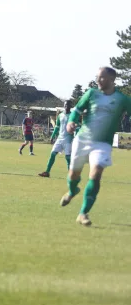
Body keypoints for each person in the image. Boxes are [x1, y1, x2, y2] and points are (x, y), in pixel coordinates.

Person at [60, 67, 131, 226]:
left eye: (102, 78)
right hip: (82, 140)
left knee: (96, 172)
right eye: (97, 77)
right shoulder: (91, 93)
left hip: (102, 144)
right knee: (73, 176)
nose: (98, 80)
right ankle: (73, 191)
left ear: (112, 80)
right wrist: (71, 121)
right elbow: (77, 111)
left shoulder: (122, 99)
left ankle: (83, 213)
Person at [39, 100, 73, 177]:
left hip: (68, 139)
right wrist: (52, 136)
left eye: (68, 105)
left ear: (70, 106)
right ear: (64, 106)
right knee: (53, 154)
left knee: (68, 157)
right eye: (65, 105)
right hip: (60, 138)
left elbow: (77, 127)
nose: (66, 106)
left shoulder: (73, 115)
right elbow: (57, 127)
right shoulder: (60, 115)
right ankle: (47, 172)